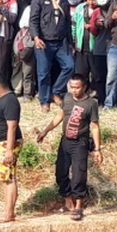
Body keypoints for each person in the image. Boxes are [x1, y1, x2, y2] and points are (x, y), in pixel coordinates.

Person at [35, 72, 102, 220]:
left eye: (77, 87)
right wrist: (45, 131)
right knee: (61, 172)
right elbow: (60, 116)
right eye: (72, 87)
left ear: (84, 87)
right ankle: (67, 199)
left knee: (79, 174)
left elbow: (95, 127)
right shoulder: (67, 98)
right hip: (65, 141)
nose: (74, 90)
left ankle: (78, 206)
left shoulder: (91, 104)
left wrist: (97, 149)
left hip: (80, 142)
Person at [28, 0, 73, 110]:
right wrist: (36, 37)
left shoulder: (64, 2)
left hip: (61, 42)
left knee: (70, 66)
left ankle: (56, 91)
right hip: (43, 41)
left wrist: (70, 42)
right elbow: (33, 20)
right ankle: (44, 101)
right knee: (43, 72)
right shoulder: (39, 0)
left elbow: (68, 23)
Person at [0, 71, 21, 222]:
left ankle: (9, 213)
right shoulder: (1, 98)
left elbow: (12, 126)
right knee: (4, 177)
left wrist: (9, 150)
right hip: (0, 143)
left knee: (9, 178)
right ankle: (7, 210)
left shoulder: (10, 101)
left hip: (7, 144)